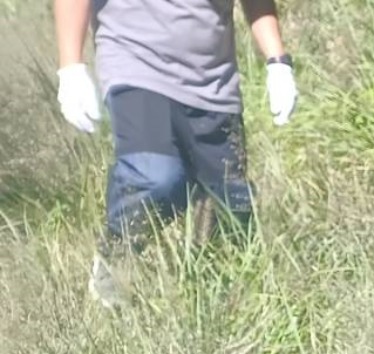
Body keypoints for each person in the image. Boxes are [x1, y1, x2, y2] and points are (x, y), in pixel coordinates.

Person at [52, 0, 299, 308]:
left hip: (214, 82)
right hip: (136, 63)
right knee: (156, 176)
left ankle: (210, 315)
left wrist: (278, 61)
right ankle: (116, 254)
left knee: (233, 213)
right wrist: (71, 67)